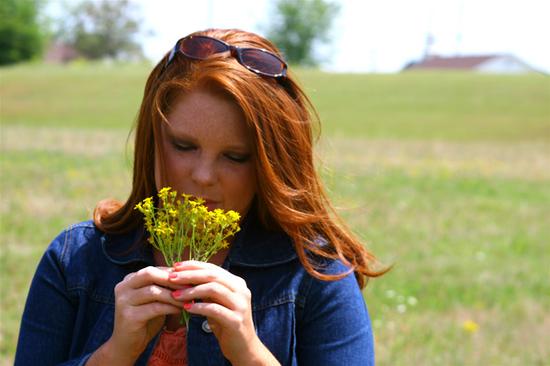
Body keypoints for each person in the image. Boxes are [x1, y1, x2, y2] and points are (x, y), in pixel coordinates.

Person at [15, 28, 387, 366]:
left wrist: (248, 352)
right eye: (184, 146)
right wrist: (114, 354)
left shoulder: (317, 276)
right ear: (153, 141)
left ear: (270, 164)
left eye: (235, 156)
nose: (203, 176)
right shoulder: (75, 262)